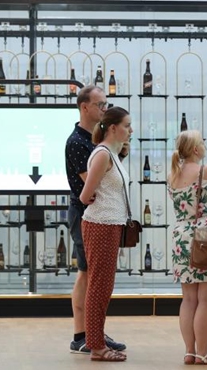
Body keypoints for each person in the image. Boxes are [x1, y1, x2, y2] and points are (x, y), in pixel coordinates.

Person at [65, 86, 126, 354]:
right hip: (88, 215)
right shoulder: (78, 142)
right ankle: (83, 335)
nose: (104, 108)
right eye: (100, 104)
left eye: (106, 104)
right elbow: (89, 191)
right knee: (89, 274)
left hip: (103, 217)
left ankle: (94, 333)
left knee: (95, 276)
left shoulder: (98, 141)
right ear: (84, 107)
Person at [167, 130, 207, 365]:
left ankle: (189, 351)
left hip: (181, 237)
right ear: (195, 149)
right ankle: (204, 353)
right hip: (205, 238)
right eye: (202, 143)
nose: (204, 146)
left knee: (188, 299)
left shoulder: (173, 174)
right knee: (206, 301)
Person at [78, 106, 133, 362]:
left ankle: (97, 341)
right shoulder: (102, 154)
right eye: (126, 125)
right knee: (99, 286)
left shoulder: (111, 153)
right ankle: (96, 345)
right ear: (113, 128)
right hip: (100, 224)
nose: (130, 130)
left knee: (103, 286)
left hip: (111, 224)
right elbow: (84, 194)